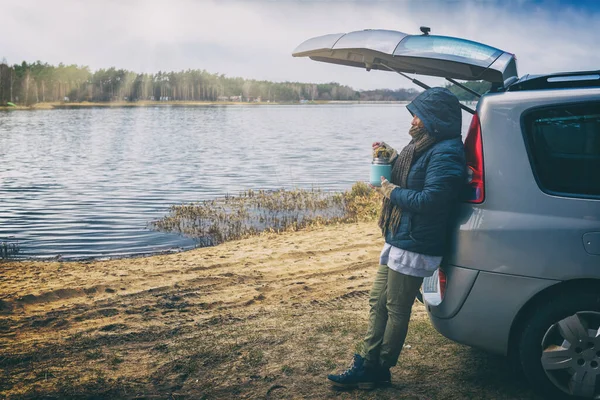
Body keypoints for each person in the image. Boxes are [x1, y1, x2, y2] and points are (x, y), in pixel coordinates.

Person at [327, 87, 466, 390]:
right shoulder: (424, 144)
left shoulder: (447, 151)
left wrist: (390, 191)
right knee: (378, 301)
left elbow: (431, 200)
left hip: (417, 242)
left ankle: (380, 366)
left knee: (396, 308)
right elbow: (412, 172)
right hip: (399, 237)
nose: (414, 119)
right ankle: (365, 361)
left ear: (434, 120)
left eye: (419, 115)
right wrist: (389, 155)